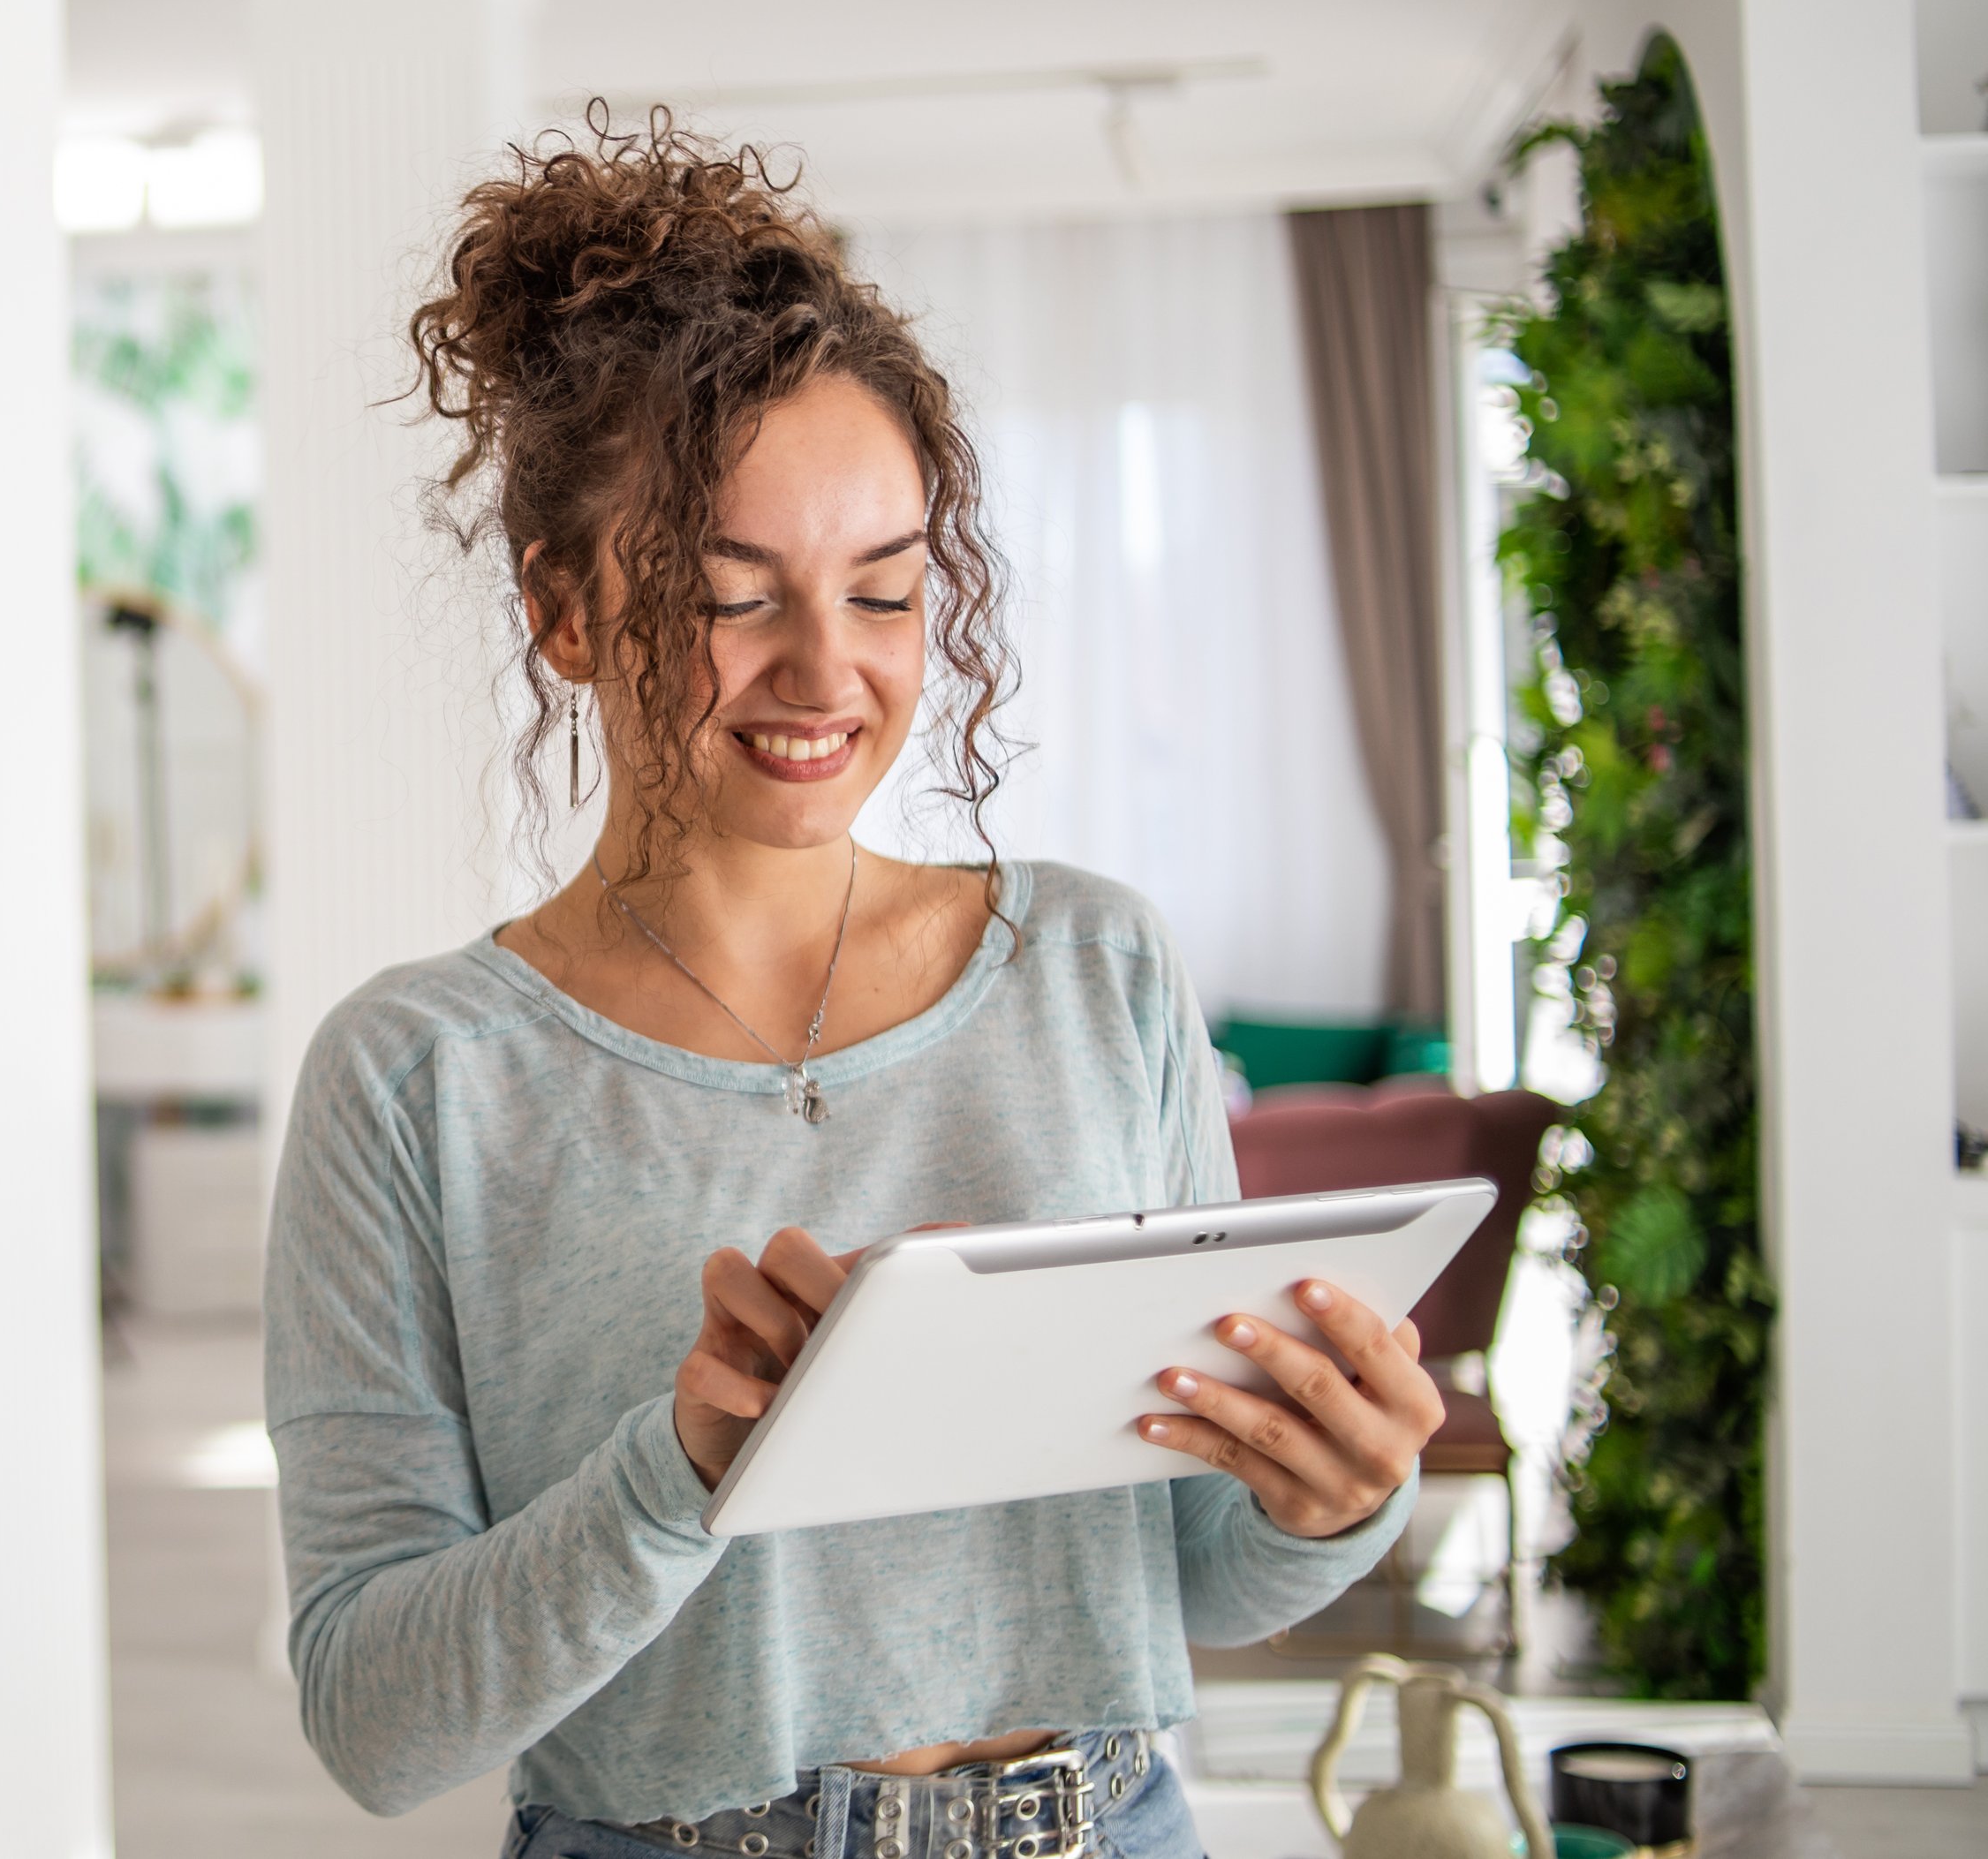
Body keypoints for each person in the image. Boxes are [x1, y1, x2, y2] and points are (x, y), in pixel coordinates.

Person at [263, 118, 1442, 1858]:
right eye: (728, 596)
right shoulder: (417, 1076)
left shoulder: (1093, 970)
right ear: (561, 606)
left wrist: (1335, 1497)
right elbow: (373, 1718)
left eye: (883, 590)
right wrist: (674, 1476)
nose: (827, 671)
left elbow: (1203, 1568)